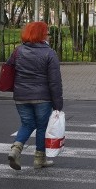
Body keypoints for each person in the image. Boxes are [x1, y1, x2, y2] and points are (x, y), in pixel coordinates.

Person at [7, 21, 64, 171]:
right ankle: (40, 159)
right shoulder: (49, 53)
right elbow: (55, 82)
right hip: (42, 98)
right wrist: (58, 105)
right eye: (47, 33)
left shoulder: (18, 51)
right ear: (42, 35)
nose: (49, 36)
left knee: (27, 124)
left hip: (21, 96)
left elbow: (10, 70)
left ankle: (15, 149)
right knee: (41, 127)